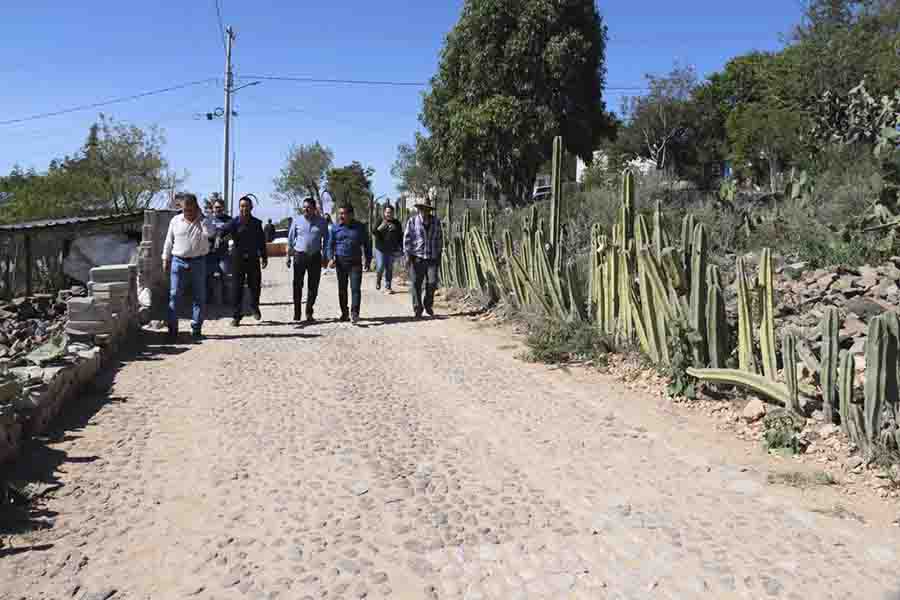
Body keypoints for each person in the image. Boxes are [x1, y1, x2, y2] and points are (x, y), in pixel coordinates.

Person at [162, 193, 214, 340]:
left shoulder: (204, 221)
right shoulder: (175, 221)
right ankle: (172, 329)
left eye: (191, 210)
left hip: (198, 262)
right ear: (182, 208)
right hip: (178, 262)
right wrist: (165, 258)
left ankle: (196, 329)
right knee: (174, 295)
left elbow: (210, 234)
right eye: (185, 210)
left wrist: (202, 219)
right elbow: (168, 241)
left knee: (199, 296)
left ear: (196, 208)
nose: (188, 213)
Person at [219, 195, 268, 326]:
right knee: (237, 289)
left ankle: (254, 307)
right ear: (239, 208)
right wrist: (219, 237)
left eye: (246, 206)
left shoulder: (257, 223)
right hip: (237, 260)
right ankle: (236, 316)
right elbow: (222, 231)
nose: (244, 208)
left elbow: (261, 241)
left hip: (253, 259)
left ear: (251, 207)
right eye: (241, 206)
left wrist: (264, 256)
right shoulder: (234, 222)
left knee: (255, 286)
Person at [286, 196, 329, 322]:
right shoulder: (297, 221)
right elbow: (290, 239)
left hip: (315, 256)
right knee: (297, 285)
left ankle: (309, 312)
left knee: (313, 286)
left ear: (314, 209)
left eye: (308, 208)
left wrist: (325, 256)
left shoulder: (322, 222)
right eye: (304, 207)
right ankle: (297, 312)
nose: (305, 210)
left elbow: (326, 240)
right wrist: (288, 256)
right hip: (299, 256)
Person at [328, 204, 372, 324]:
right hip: (340, 262)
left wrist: (368, 260)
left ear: (351, 214)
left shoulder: (360, 227)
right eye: (340, 213)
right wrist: (330, 258)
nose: (341, 216)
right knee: (342, 289)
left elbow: (367, 245)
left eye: (343, 213)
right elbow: (330, 245)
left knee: (355, 289)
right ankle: (344, 313)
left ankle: (355, 313)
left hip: (355, 262)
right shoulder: (335, 228)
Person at [403, 197, 443, 319]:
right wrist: (407, 256)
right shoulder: (412, 221)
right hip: (417, 257)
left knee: (432, 282)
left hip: (432, 257)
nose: (425, 211)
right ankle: (417, 308)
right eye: (422, 209)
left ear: (429, 210)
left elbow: (440, 238)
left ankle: (428, 304)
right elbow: (407, 239)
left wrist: (439, 254)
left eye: (427, 209)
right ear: (419, 209)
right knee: (416, 284)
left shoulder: (436, 221)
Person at [206, 198, 232, 305]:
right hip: (210, 253)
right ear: (212, 208)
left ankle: (226, 299)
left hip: (223, 253)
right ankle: (209, 299)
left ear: (224, 208)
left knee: (225, 276)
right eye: (216, 207)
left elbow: (233, 234)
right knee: (208, 277)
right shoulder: (207, 220)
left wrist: (225, 238)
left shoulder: (229, 220)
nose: (218, 209)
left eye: (220, 207)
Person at [373, 203, 403, 293]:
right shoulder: (380, 220)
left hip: (391, 249)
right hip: (380, 249)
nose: (388, 214)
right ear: (384, 213)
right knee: (381, 266)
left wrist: (400, 247)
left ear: (393, 213)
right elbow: (374, 231)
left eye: (390, 212)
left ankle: (388, 286)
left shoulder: (397, 223)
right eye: (387, 212)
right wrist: (381, 227)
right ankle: (378, 279)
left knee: (389, 268)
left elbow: (400, 236)